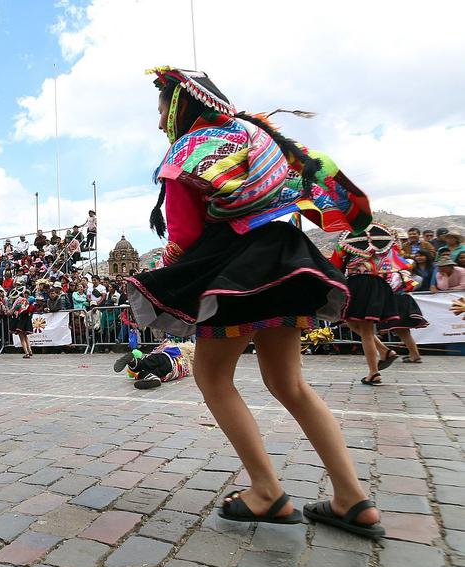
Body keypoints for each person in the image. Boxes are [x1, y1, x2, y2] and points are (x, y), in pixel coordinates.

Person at [126, 67, 382, 537]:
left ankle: (266, 491)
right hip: (284, 260)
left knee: (212, 377)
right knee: (289, 383)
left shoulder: (188, 150)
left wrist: (173, 265)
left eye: (161, 110)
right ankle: (352, 498)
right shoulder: (253, 135)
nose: (159, 121)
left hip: (236, 269)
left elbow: (185, 232)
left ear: (181, 106)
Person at [330, 224, 407, 385]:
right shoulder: (385, 238)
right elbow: (397, 259)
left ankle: (374, 373)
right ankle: (384, 351)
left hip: (359, 284)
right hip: (378, 284)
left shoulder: (345, 239)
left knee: (365, 331)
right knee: (351, 322)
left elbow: (335, 264)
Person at [113, 340, 194, 389]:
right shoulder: (187, 369)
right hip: (170, 373)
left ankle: (132, 361)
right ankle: (154, 378)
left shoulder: (178, 352)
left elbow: (165, 347)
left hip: (166, 359)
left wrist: (164, 345)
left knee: (145, 363)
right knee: (145, 373)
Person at [9, 288, 35, 358]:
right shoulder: (27, 302)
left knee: (22, 337)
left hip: (20, 321)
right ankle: (30, 350)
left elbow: (13, 311)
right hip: (26, 320)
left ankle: (26, 353)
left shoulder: (18, 302)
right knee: (25, 336)